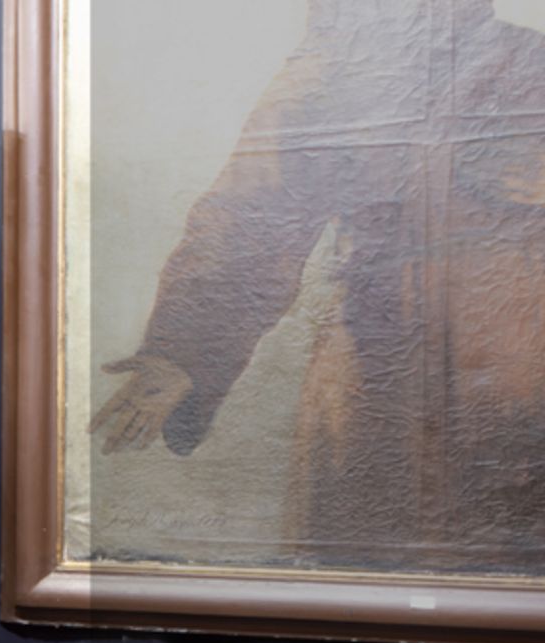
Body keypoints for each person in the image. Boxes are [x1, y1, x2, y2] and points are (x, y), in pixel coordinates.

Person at [89, 0, 545, 573]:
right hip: (376, 410)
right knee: (352, 594)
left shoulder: (533, 64)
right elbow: (251, 214)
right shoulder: (338, 66)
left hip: (521, 417)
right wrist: (184, 350)